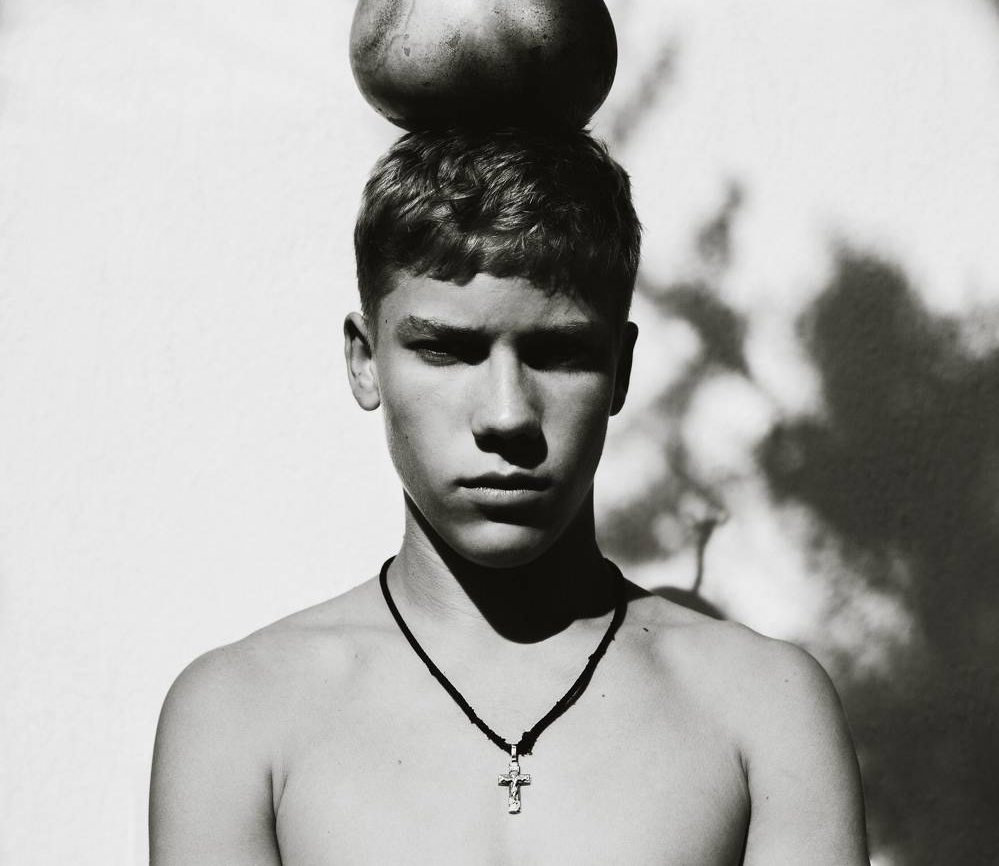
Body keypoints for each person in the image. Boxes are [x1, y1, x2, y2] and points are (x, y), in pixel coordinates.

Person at [149, 128, 870, 865]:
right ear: (366, 361)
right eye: (446, 349)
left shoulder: (764, 710)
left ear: (620, 370)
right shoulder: (240, 714)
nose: (507, 415)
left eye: (560, 354)